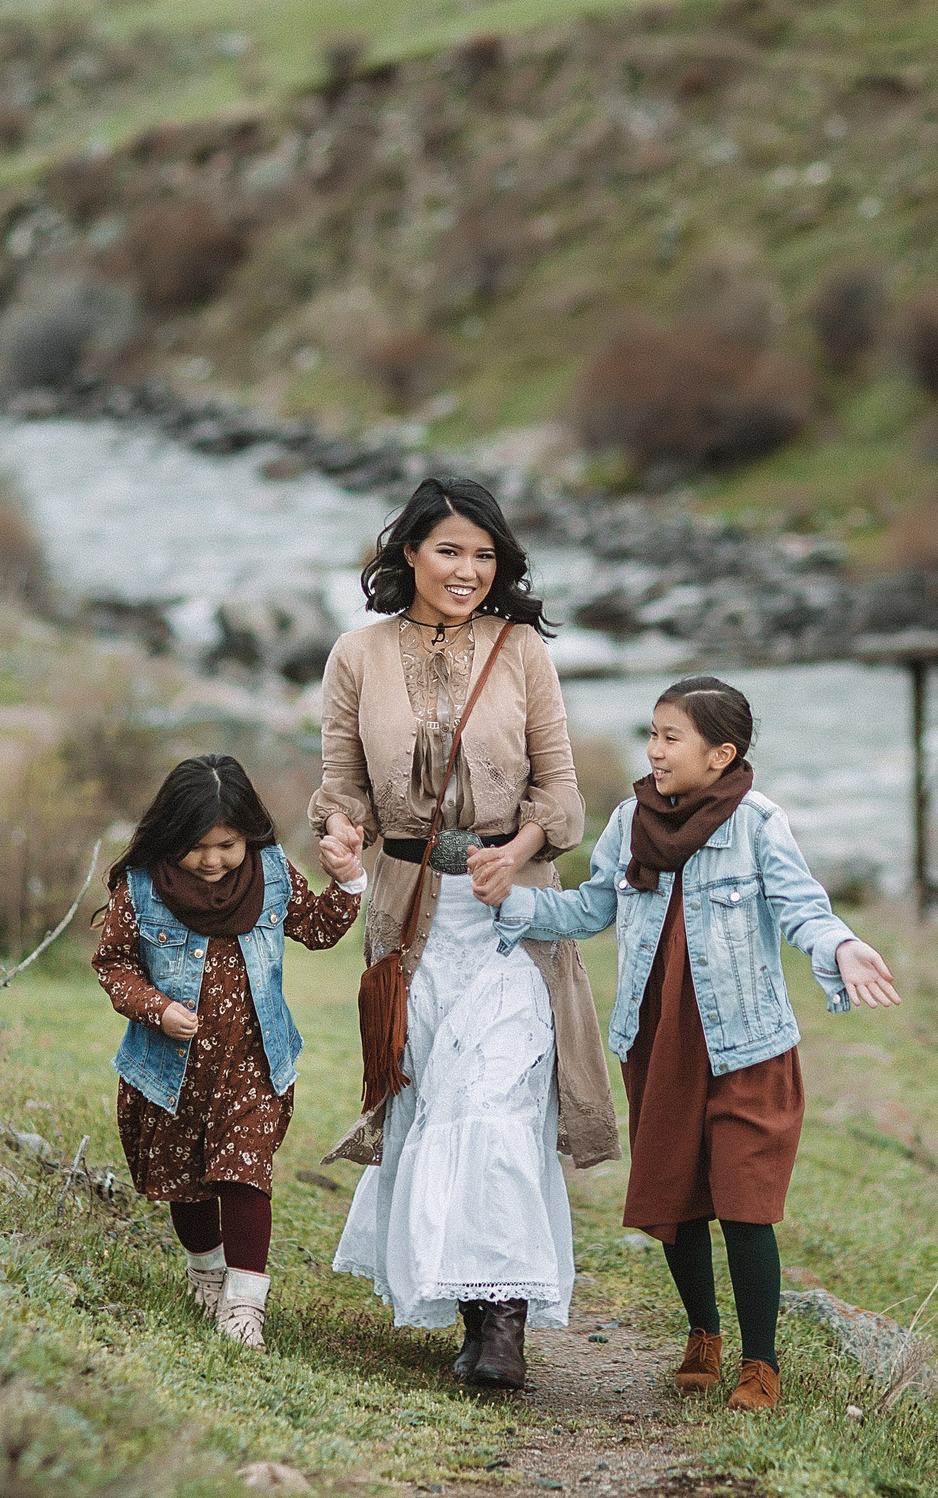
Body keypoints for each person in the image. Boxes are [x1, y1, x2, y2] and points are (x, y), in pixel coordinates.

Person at [480, 675, 901, 1412]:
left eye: (672, 736)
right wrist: (510, 899)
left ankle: (760, 1363)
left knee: (745, 1201)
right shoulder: (628, 821)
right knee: (677, 1196)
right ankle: (702, 1335)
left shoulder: (759, 822)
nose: (655, 748)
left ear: (721, 753)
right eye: (652, 732)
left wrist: (842, 946)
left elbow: (802, 907)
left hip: (748, 1044)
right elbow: (589, 908)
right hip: (661, 1039)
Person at [314, 476, 616, 1390]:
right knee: (432, 1102)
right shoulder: (356, 655)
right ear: (407, 551)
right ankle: (463, 1295)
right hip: (409, 920)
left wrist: (515, 847)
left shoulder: (522, 651)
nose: (469, 571)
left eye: (485, 556)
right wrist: (338, 835)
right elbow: (342, 785)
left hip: (509, 920)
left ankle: (500, 1329)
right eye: (450, 550)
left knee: (496, 1106)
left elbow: (562, 794)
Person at [92, 754, 368, 1350]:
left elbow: (318, 930)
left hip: (254, 1064)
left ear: (249, 835)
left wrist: (347, 880)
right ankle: (207, 1269)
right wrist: (154, 1007)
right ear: (170, 837)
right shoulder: (142, 888)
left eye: (227, 844)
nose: (213, 860)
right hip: (171, 1074)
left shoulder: (270, 873)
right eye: (197, 847)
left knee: (245, 1175)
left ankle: (246, 1304)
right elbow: (112, 963)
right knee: (186, 1185)